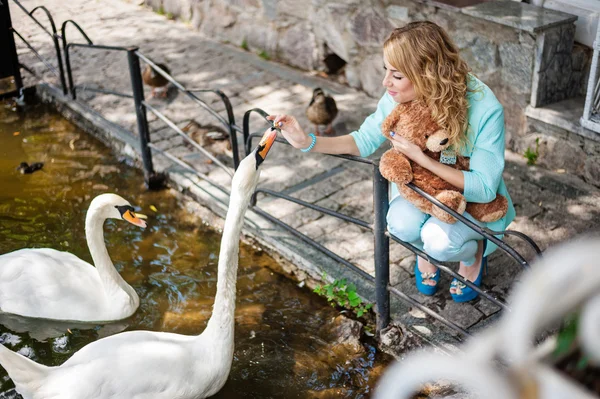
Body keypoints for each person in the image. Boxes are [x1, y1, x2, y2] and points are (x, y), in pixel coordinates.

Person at [266, 21, 515, 303]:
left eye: (395, 75)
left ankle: (472, 256)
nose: (386, 83)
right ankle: (425, 253)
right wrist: (305, 141)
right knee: (399, 224)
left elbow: (483, 188)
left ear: (427, 75)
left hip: (470, 201)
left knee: (440, 242)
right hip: (422, 190)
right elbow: (363, 140)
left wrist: (421, 158)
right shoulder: (398, 95)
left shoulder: (485, 108)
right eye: (387, 71)